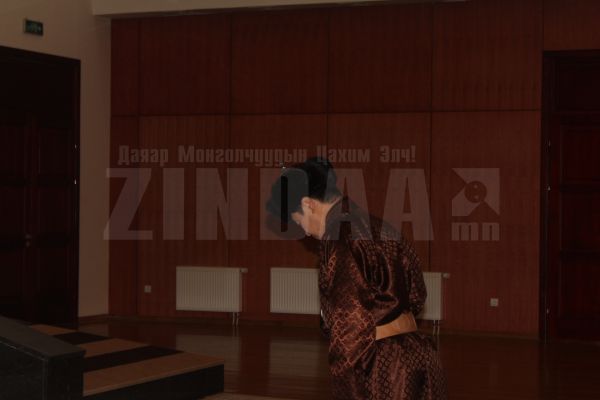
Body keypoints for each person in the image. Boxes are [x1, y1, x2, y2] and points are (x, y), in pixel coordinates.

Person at [266, 157, 447, 400]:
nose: (305, 232)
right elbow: (417, 295)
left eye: (299, 221)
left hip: (384, 367)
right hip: (419, 355)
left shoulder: (340, 237)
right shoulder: (379, 226)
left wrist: (347, 390)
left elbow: (349, 327)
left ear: (308, 204)